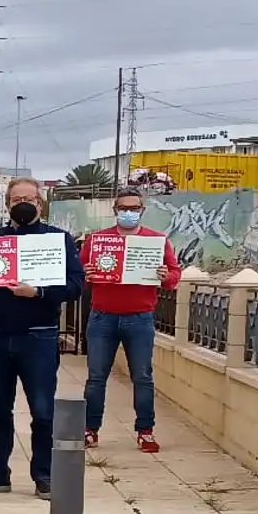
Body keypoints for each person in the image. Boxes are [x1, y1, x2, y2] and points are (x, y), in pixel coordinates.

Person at [0, 179, 84, 499]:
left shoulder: (58, 241)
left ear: (40, 203)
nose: (23, 203)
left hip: (39, 339)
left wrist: (39, 292)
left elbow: (76, 285)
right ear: (7, 203)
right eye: (16, 198)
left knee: (43, 412)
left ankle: (44, 475)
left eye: (28, 198)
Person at [84, 187, 182, 452]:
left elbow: (174, 274)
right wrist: (86, 272)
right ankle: (89, 429)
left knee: (142, 376)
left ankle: (145, 431)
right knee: (96, 377)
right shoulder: (96, 241)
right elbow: (79, 271)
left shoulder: (157, 241)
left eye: (134, 208)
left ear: (142, 210)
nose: (128, 213)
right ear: (115, 210)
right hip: (102, 317)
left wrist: (166, 276)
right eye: (123, 208)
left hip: (139, 318)